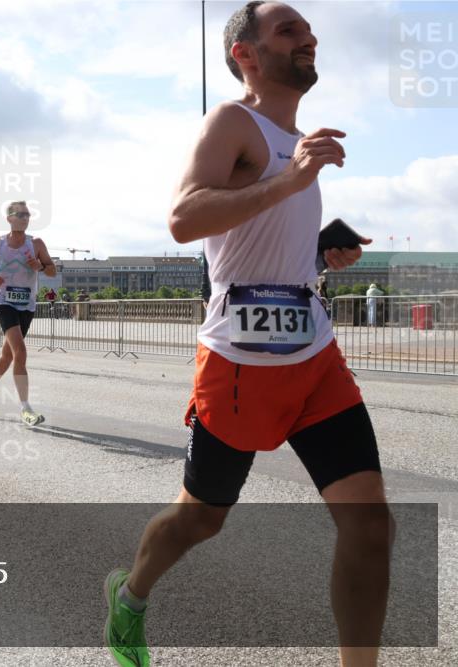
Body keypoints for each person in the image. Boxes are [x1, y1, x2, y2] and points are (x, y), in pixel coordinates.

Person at [104, 4, 385, 667]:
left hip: (314, 356)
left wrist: (321, 252)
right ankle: (131, 593)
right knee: (201, 518)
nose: (308, 37)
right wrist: (291, 180)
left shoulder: (299, 142)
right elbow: (184, 217)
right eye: (289, 29)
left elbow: (264, 248)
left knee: (370, 524)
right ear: (246, 56)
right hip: (238, 363)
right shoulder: (231, 121)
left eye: (309, 30)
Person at [0, 201, 56, 426]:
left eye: (27, 214)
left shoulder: (36, 244)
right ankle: (26, 409)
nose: (25, 218)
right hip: (4, 302)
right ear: (9, 218)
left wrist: (40, 266)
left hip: (27, 305)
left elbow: (52, 269)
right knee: (20, 352)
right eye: (20, 214)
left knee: (8, 356)